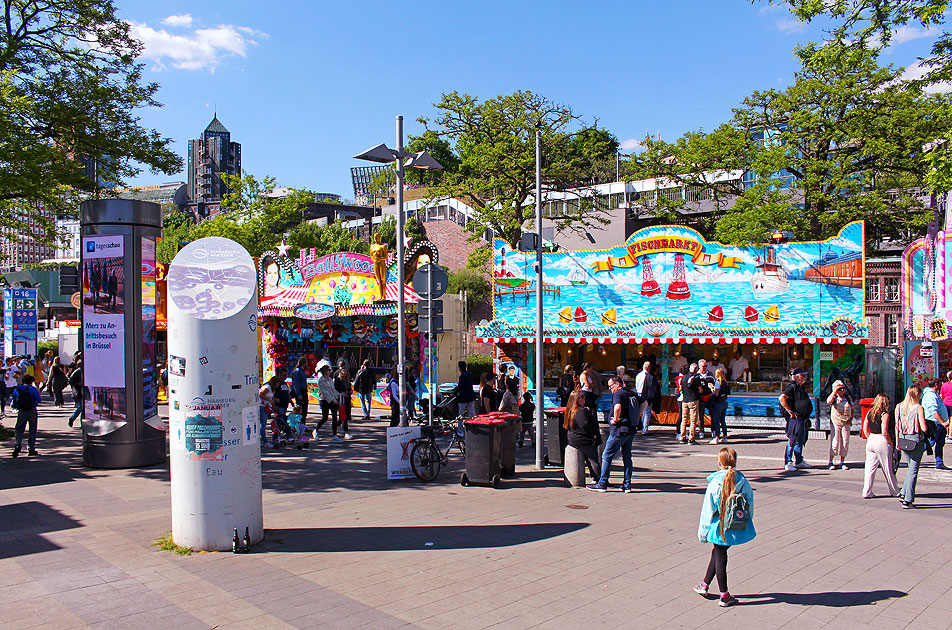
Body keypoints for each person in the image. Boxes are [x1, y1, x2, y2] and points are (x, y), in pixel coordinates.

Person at [694, 447, 755, 608]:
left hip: (719, 525)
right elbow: (750, 503)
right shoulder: (742, 480)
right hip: (736, 524)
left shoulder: (716, 482)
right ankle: (704, 584)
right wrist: (747, 521)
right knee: (718, 552)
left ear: (719, 463)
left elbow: (707, 510)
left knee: (720, 556)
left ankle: (724, 594)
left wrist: (703, 532)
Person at [588, 376, 635, 493]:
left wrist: (615, 418)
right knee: (627, 457)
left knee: (606, 456)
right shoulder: (630, 393)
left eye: (611, 386)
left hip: (619, 430)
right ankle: (627, 484)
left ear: (617, 384)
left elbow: (617, 406)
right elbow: (644, 403)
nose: (610, 389)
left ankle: (602, 483)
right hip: (630, 429)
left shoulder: (618, 394)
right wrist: (636, 419)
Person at [862, 394, 900, 498]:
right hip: (881, 440)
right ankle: (894, 491)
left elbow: (865, 428)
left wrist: (869, 437)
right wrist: (890, 442)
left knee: (869, 468)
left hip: (871, 440)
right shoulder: (885, 414)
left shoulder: (870, 412)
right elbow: (884, 432)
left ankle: (867, 491)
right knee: (888, 468)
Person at [896, 386, 928, 508]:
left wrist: (897, 441)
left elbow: (897, 425)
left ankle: (904, 492)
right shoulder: (919, 408)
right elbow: (924, 427)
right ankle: (908, 499)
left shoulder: (899, 407)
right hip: (915, 441)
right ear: (917, 395)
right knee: (913, 470)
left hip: (903, 440)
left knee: (910, 468)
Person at [779, 368, 814, 471]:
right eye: (803, 375)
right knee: (793, 440)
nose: (804, 377)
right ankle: (788, 462)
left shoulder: (801, 388)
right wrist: (789, 411)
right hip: (795, 419)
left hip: (802, 419)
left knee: (800, 440)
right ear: (797, 376)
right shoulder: (792, 387)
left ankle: (799, 461)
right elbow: (782, 397)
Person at [565, 391, 601, 483]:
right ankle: (597, 478)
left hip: (573, 438)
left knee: (591, 458)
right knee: (593, 459)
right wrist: (593, 435)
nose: (585, 399)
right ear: (578, 399)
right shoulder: (582, 411)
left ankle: (595, 477)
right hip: (584, 439)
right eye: (583, 397)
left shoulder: (570, 410)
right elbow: (585, 426)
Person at [11, 374, 42, 458]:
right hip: (31, 409)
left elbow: (14, 402)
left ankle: (18, 444)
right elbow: (39, 400)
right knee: (32, 429)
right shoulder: (33, 389)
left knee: (19, 428)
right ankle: (31, 448)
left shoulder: (17, 389)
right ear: (31, 382)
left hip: (21, 411)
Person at [922, 378, 950, 470]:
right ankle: (913, 458)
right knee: (930, 443)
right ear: (936, 384)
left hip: (939, 424)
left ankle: (939, 462)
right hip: (934, 423)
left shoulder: (934, 394)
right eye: (940, 384)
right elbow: (933, 410)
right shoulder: (930, 395)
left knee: (940, 443)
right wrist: (942, 421)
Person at [826, 380, 853, 470]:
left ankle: (842, 461)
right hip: (836, 422)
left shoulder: (848, 398)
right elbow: (828, 401)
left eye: (843, 388)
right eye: (840, 388)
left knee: (845, 442)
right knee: (835, 441)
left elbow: (852, 408)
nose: (842, 390)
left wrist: (851, 419)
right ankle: (831, 461)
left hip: (845, 422)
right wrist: (834, 391)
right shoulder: (834, 397)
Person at [316, 364, 342, 440]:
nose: (330, 371)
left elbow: (333, 390)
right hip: (324, 400)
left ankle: (334, 435)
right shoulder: (321, 380)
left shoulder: (330, 380)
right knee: (325, 418)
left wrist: (339, 395)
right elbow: (325, 392)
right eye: (329, 370)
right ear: (325, 371)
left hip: (332, 400)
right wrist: (332, 399)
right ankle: (316, 430)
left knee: (334, 417)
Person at [681, 363, 704, 444]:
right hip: (693, 400)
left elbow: (681, 388)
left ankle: (682, 436)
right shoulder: (696, 378)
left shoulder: (684, 377)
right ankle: (691, 438)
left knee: (684, 419)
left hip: (685, 400)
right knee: (693, 420)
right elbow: (700, 390)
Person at [633, 361, 656, 435]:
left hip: (638, 394)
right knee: (647, 413)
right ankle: (645, 429)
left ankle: (640, 426)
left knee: (640, 412)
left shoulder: (638, 375)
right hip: (645, 395)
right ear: (649, 368)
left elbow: (636, 385)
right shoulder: (648, 376)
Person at [709, 368, 730, 444]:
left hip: (718, 403)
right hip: (724, 402)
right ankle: (725, 437)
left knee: (716, 420)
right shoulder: (725, 382)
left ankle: (717, 437)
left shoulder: (718, 382)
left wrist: (712, 388)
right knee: (723, 420)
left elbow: (716, 393)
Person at [696, 359, 715, 439]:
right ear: (699, 366)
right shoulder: (697, 375)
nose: (705, 368)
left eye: (706, 366)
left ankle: (713, 430)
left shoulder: (710, 375)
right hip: (700, 398)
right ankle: (701, 431)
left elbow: (715, 384)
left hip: (709, 397)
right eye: (703, 366)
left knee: (712, 414)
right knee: (701, 415)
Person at [334, 366, 353, 440]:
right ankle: (346, 432)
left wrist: (350, 391)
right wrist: (341, 393)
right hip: (341, 399)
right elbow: (335, 389)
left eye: (345, 371)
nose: (344, 372)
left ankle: (335, 425)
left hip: (347, 399)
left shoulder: (347, 380)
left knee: (345, 416)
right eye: (343, 371)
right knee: (343, 415)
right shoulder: (338, 380)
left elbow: (349, 388)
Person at [290, 357, 310, 421]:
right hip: (300, 391)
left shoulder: (301, 371)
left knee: (304, 409)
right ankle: (298, 425)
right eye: (306, 363)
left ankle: (302, 425)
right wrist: (299, 394)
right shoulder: (297, 371)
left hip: (304, 391)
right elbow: (296, 383)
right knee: (300, 409)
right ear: (304, 363)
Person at [67, 360, 84, 428]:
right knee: (81, 408)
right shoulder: (77, 371)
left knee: (83, 408)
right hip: (78, 392)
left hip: (83, 391)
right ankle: (73, 418)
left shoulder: (84, 371)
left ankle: (81, 423)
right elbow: (70, 381)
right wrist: (78, 383)